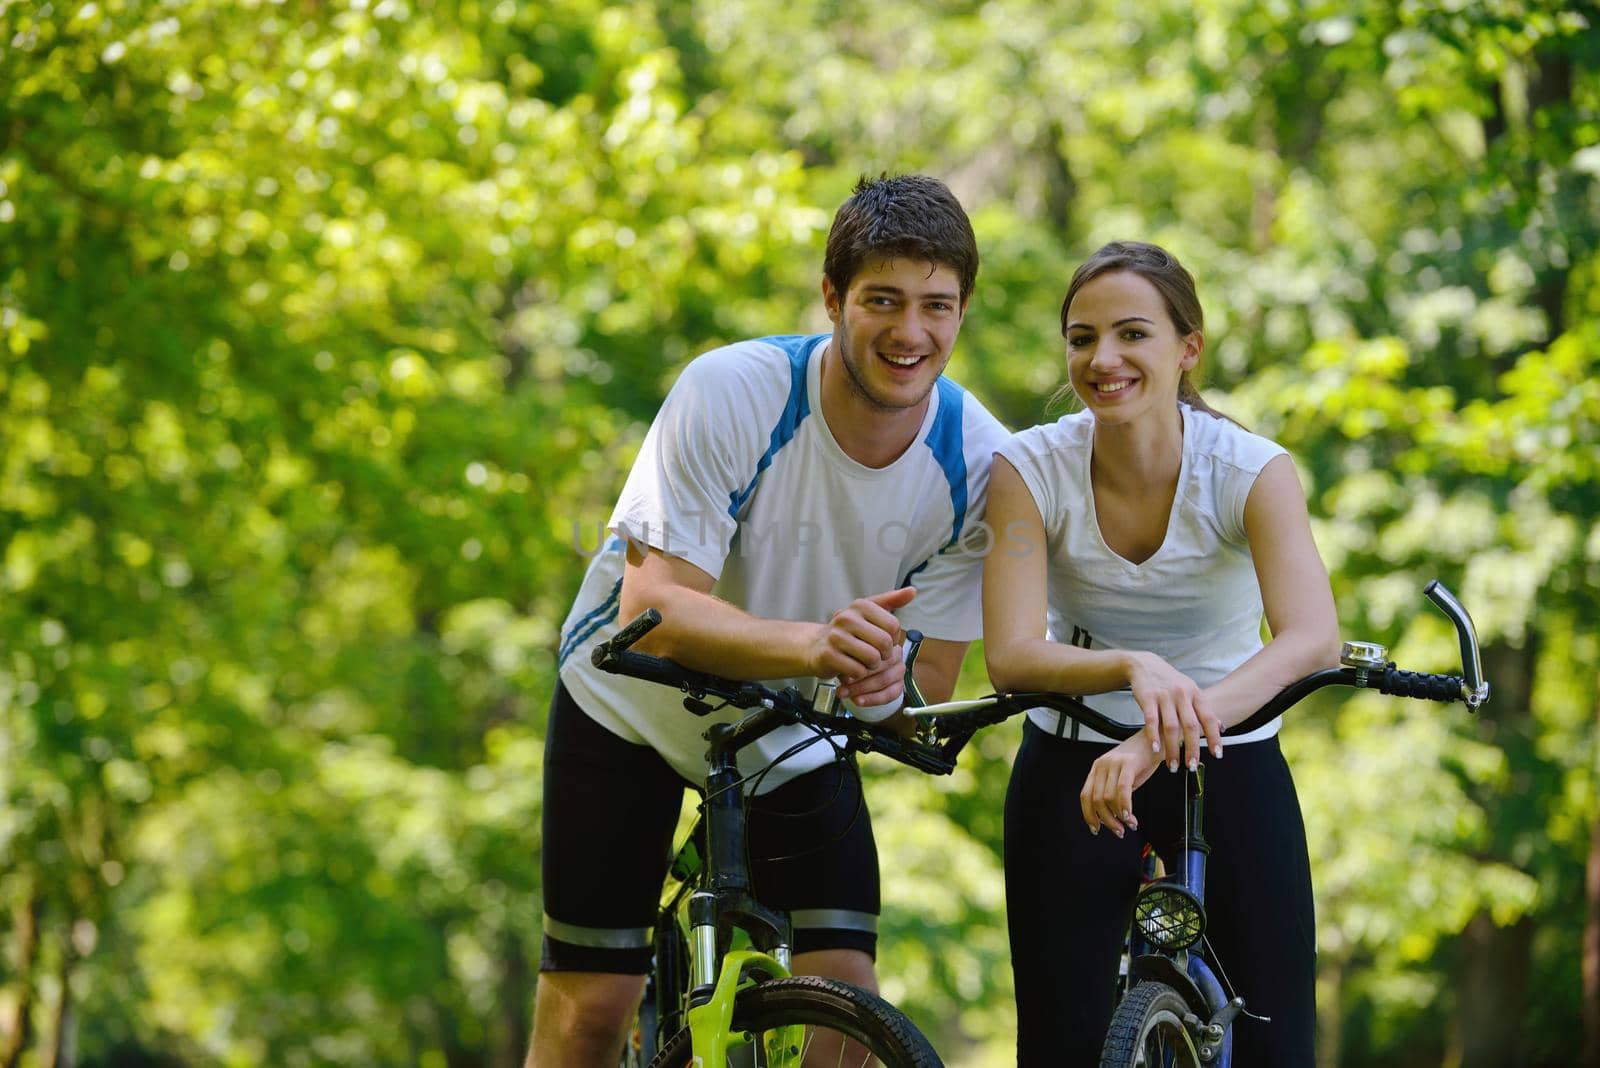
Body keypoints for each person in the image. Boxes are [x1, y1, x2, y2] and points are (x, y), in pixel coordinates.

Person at [531, 174, 1009, 1066]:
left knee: (844, 994)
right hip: (627, 697)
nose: (912, 333)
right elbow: (653, 611)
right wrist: (819, 644)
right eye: (883, 301)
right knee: (594, 1003)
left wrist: (877, 682)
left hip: (782, 726)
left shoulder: (982, 462)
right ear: (832, 298)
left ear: (963, 311)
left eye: (937, 307)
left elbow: (925, 688)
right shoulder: (735, 390)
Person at [982, 240, 1341, 1065]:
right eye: (1081, 338)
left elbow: (1312, 636)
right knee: (1059, 1039)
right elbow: (1009, 654)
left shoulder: (1251, 471)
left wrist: (1161, 733)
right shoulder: (1028, 468)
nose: (1102, 358)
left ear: (1188, 349)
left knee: (1276, 1039)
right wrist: (1130, 667)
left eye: (1132, 334)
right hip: (1074, 763)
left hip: (1230, 759)